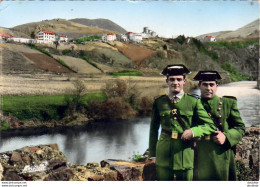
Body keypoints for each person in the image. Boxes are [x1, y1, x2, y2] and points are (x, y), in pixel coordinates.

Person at [148, 64, 216, 181]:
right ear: (167, 81)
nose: (176, 83)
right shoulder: (159, 102)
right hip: (164, 153)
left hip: (185, 152)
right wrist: (153, 154)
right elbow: (153, 129)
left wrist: (193, 132)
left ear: (184, 81)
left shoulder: (193, 101)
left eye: (179, 79)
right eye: (172, 80)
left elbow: (210, 125)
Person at [193, 71, 245, 181]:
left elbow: (240, 127)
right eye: (205, 85)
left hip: (222, 156)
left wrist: (226, 137)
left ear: (217, 86)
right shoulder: (191, 104)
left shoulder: (227, 103)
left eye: (211, 84)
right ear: (199, 86)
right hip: (198, 156)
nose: (208, 88)